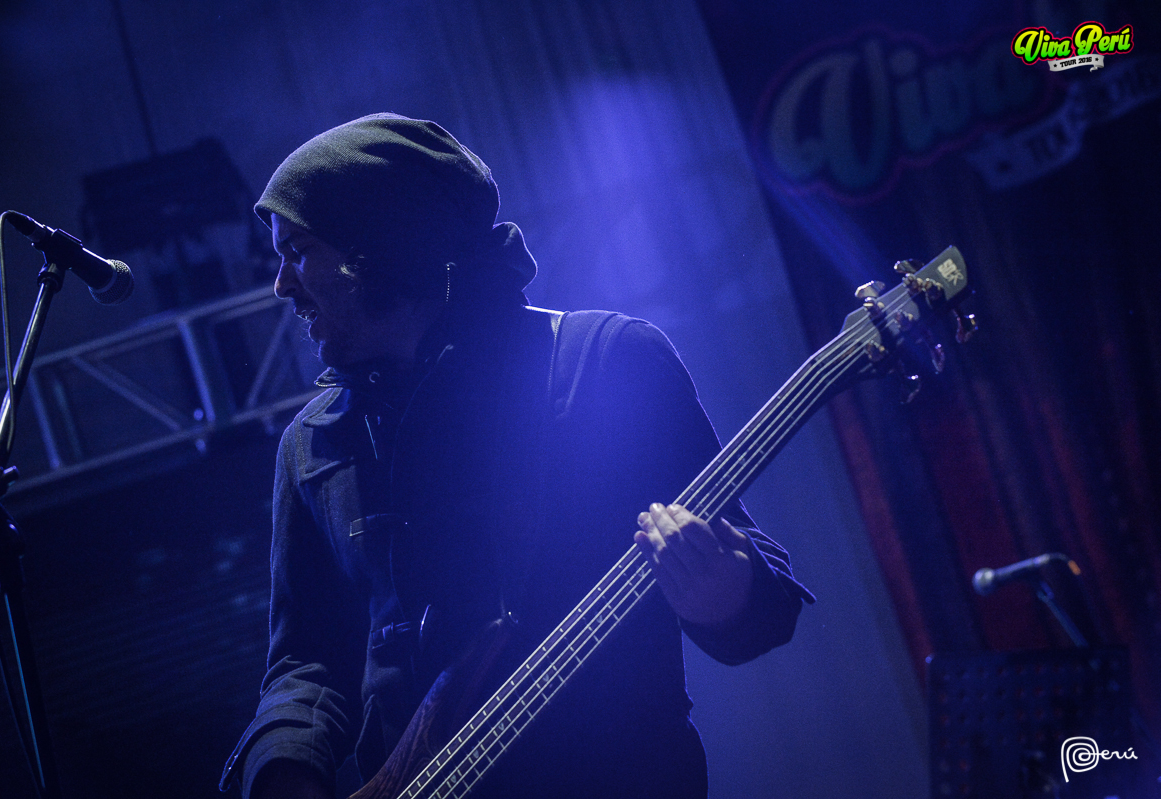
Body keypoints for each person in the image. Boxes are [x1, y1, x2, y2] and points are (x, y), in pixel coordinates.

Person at [220, 113, 814, 799]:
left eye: (297, 250)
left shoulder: (605, 362)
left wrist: (726, 593)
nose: (281, 285)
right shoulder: (312, 443)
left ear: (375, 244)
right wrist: (284, 769)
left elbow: (760, 594)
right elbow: (306, 663)